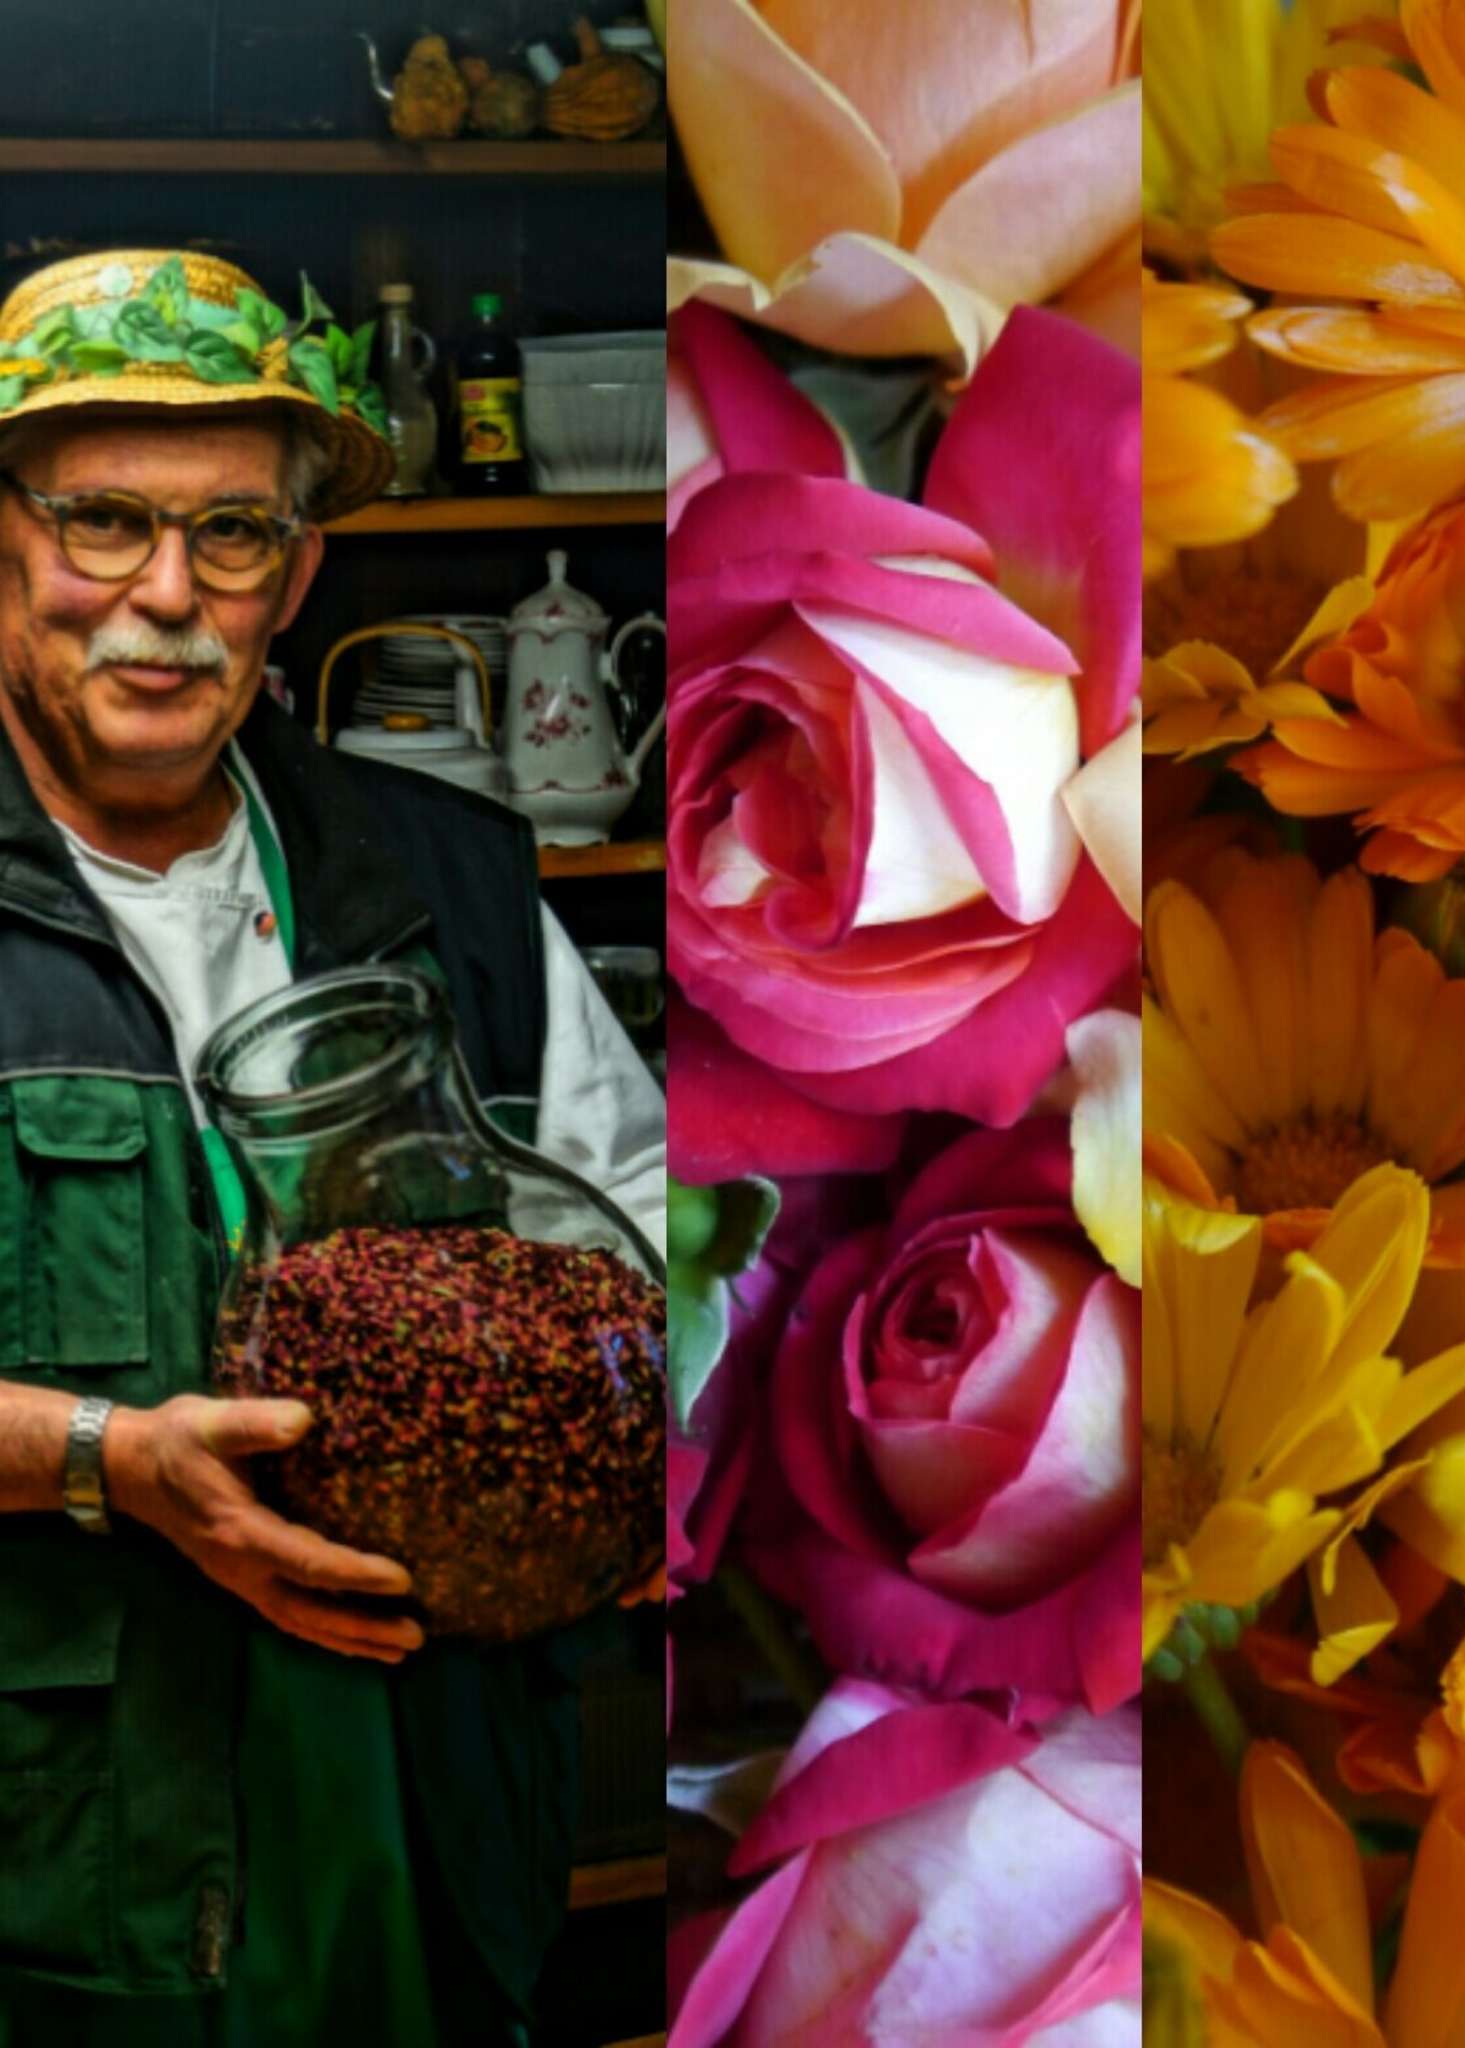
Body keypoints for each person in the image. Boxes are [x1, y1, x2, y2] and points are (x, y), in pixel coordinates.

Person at [0, 251, 666, 2044]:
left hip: (429, 1809)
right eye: (99, 524)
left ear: (297, 576)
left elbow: (663, 1248)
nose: (164, 598)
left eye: (230, 538)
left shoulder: (445, 878)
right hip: (64, 1843)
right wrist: (101, 1455)